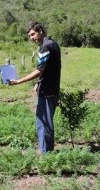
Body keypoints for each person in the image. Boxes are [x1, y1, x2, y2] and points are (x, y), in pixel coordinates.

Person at [9, 21, 61, 154]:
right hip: (53, 89)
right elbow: (50, 68)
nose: (32, 38)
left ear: (41, 31)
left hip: (47, 91)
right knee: (45, 122)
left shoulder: (45, 47)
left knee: (43, 123)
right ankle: (47, 153)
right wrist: (39, 82)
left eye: (33, 34)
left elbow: (39, 70)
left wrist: (19, 81)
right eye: (30, 36)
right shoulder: (53, 44)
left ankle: (46, 155)